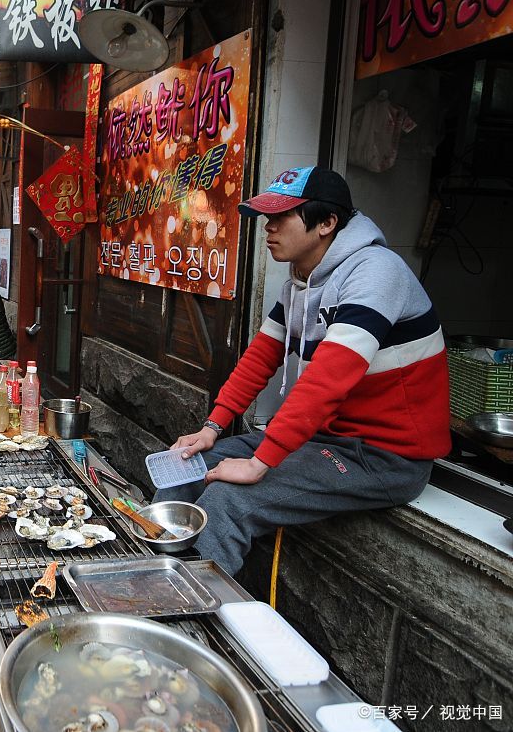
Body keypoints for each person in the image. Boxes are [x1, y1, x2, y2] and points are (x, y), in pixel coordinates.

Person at [157, 167, 450, 576]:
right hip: (322, 438)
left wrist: (259, 462)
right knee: (181, 470)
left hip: (384, 457)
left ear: (327, 223)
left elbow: (328, 380)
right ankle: (151, 576)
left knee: (227, 500)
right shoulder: (299, 281)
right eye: (266, 218)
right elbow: (261, 357)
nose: (269, 228)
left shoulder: (377, 273)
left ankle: (190, 620)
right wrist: (212, 427)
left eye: (281, 217)